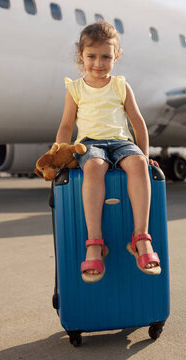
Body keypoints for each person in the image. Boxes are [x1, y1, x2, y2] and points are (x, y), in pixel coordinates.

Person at [56, 21, 161, 283]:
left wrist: (145, 154)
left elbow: (137, 122)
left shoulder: (120, 86)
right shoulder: (75, 89)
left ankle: (140, 238)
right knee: (94, 167)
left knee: (137, 163)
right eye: (92, 56)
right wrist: (60, 153)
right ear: (81, 56)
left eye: (106, 56)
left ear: (116, 56)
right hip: (90, 143)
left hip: (120, 141)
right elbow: (67, 125)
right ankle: (95, 243)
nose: (99, 63)